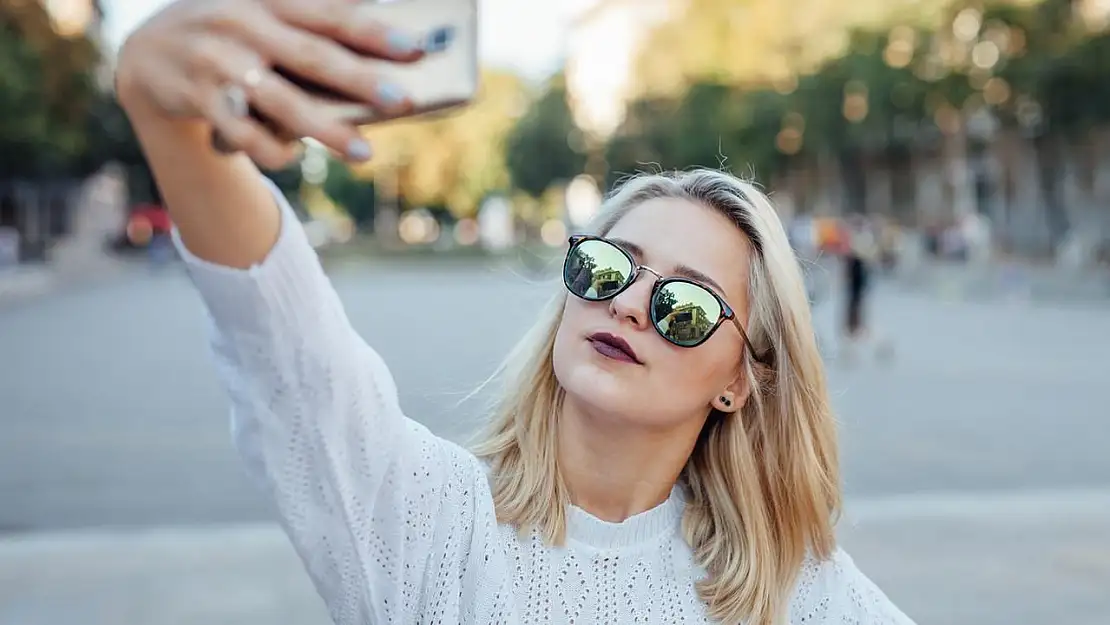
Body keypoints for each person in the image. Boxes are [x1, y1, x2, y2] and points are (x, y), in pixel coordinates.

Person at [114, 1, 915, 623]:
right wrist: (168, 116)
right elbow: (282, 340)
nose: (630, 304)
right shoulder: (427, 519)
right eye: (606, 267)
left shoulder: (789, 590)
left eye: (683, 304)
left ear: (741, 378)